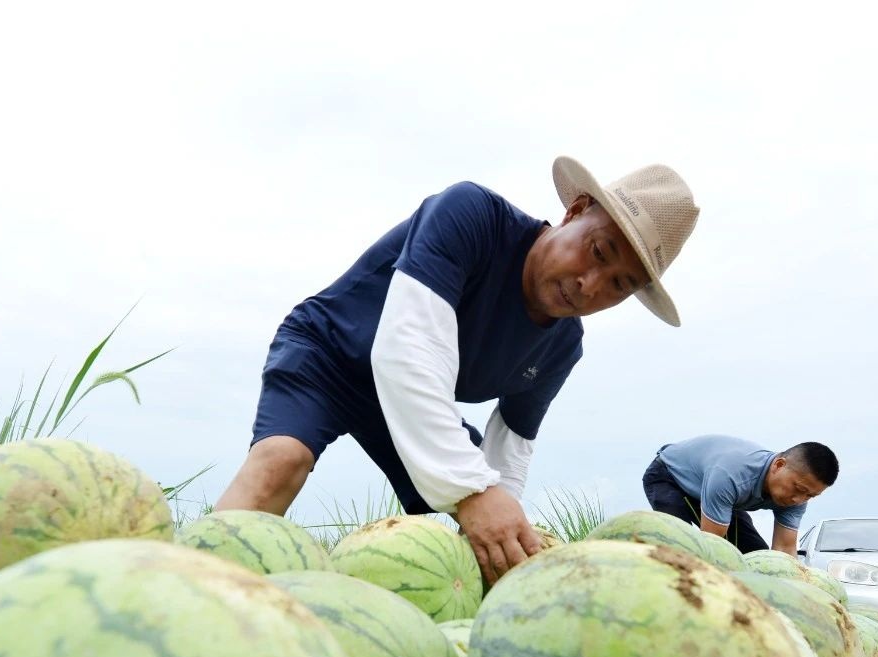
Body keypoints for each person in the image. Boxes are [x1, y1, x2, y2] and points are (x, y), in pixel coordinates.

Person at [214, 156, 701, 584]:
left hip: (413, 399)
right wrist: (473, 494)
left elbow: (509, 448)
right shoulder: (471, 215)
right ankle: (189, 580)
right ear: (575, 211)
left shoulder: (562, 347)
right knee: (281, 460)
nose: (590, 285)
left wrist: (496, 526)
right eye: (597, 252)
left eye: (618, 286)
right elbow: (408, 351)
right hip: (330, 354)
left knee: (488, 529)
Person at [642, 435, 839, 554]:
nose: (799, 499)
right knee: (680, 545)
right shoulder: (732, 475)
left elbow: (784, 550)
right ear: (779, 465)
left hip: (721, 494)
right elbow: (712, 544)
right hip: (670, 477)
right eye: (799, 489)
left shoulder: (798, 497)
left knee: (756, 556)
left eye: (810, 496)